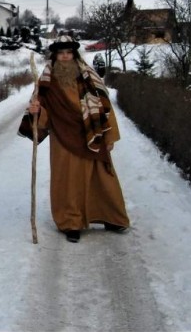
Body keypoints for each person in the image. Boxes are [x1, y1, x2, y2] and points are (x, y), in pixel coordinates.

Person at [20, 35, 130, 243]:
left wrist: (109, 135)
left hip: (91, 132)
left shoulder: (89, 76)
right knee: (68, 180)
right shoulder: (46, 80)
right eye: (60, 53)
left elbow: (105, 105)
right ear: (55, 56)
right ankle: (71, 222)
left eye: (68, 53)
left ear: (74, 54)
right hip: (62, 136)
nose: (64, 57)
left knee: (100, 176)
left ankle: (110, 216)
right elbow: (40, 110)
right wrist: (36, 110)